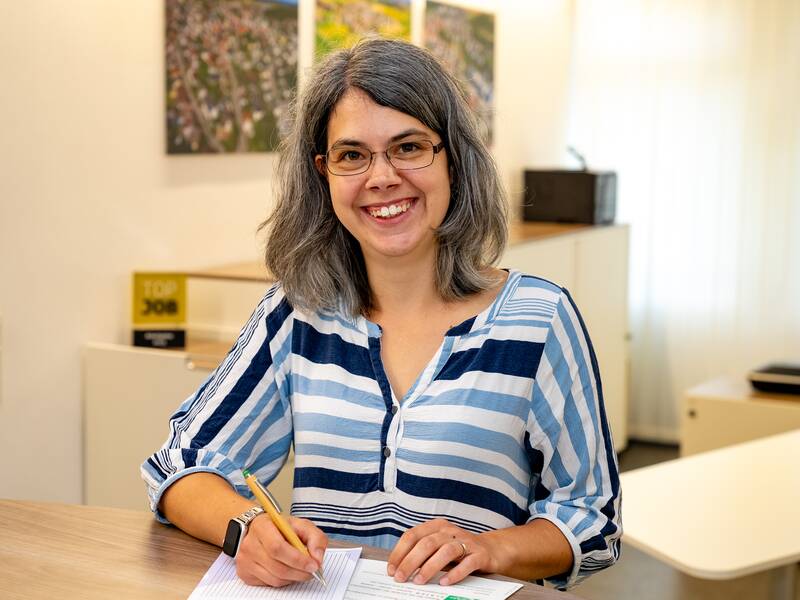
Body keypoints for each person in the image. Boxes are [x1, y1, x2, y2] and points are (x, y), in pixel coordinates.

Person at [141, 37, 621, 591]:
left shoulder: (539, 319)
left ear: (453, 158)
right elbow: (179, 465)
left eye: (409, 147)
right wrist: (246, 529)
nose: (382, 177)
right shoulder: (296, 315)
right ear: (323, 173)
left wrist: (491, 548)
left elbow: (593, 519)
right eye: (352, 155)